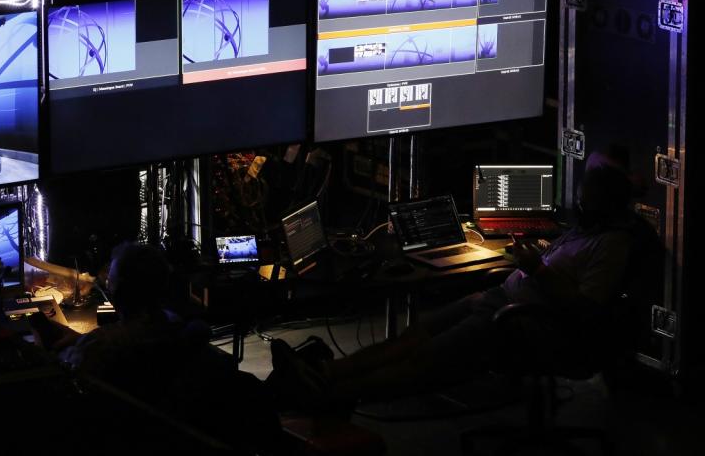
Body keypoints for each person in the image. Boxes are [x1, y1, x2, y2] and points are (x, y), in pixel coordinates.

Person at [270, 151, 657, 408]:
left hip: (529, 324)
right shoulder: (588, 228)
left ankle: (332, 396)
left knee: (427, 359)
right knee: (415, 335)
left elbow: (585, 308)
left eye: (587, 197)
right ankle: (328, 372)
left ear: (605, 203)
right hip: (503, 302)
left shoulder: (613, 245)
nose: (580, 202)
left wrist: (536, 267)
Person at [30, 242, 281, 451]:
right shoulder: (185, 336)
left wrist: (43, 349)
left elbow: (68, 383)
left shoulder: (100, 349)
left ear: (115, 294)